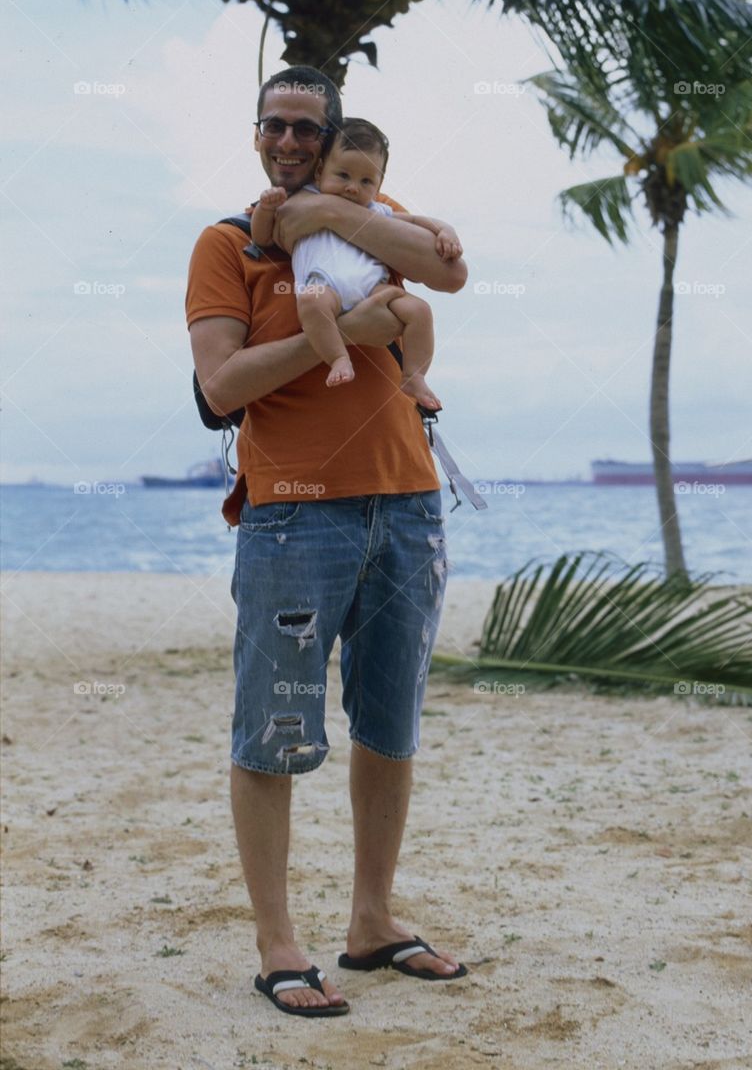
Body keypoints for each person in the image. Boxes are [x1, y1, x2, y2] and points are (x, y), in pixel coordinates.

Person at [185, 66, 469, 1017]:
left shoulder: (363, 206)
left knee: (388, 726)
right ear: (257, 134)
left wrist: (339, 218)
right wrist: (332, 336)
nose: (292, 139)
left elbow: (446, 271)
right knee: (275, 727)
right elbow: (221, 390)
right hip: (293, 515)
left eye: (310, 125)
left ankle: (372, 924)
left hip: (408, 503)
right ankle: (278, 944)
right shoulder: (228, 245)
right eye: (276, 124)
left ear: (334, 134)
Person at [249, 117, 461, 410]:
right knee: (311, 303)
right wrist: (266, 207)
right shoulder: (301, 202)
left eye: (366, 181)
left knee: (419, 311)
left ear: (379, 184)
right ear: (321, 170)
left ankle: (414, 374)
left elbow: (415, 221)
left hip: (374, 288)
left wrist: (445, 230)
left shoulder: (377, 210)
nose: (352, 188)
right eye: (343, 175)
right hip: (324, 286)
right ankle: (338, 357)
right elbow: (261, 237)